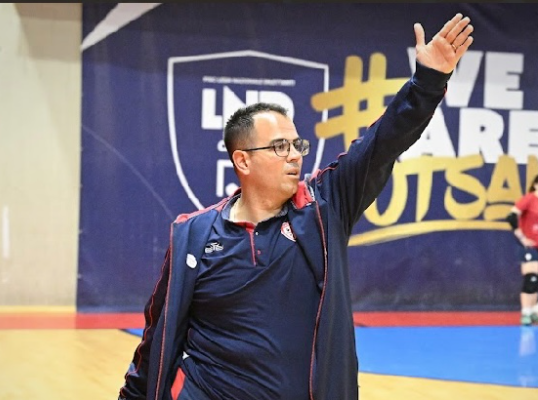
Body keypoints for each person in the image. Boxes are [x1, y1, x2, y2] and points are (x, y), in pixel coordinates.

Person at [118, 13, 474, 400]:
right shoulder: (193, 234)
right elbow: (157, 337)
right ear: (242, 161)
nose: (295, 155)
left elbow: (383, 143)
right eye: (279, 147)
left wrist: (427, 83)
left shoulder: (325, 206)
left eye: (296, 145)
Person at [506, 175, 538, 326]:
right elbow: (511, 216)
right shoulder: (529, 199)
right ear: (536, 185)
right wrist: (522, 238)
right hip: (530, 246)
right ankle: (526, 313)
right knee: (532, 278)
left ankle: (534, 311)